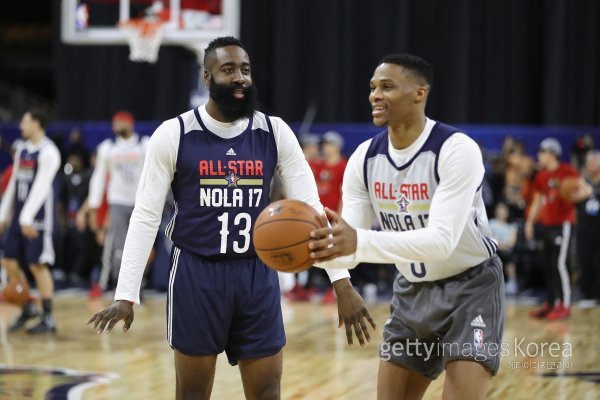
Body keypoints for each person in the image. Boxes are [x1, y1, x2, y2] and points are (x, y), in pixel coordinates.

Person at [87, 36, 373, 400]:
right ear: (207, 77)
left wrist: (341, 281)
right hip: (196, 274)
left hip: (257, 273)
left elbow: (312, 207)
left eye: (246, 70)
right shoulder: (174, 134)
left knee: (268, 392)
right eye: (228, 70)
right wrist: (126, 293)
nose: (240, 78)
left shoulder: (274, 131)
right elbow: (145, 216)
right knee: (192, 393)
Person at [308, 53, 504, 400]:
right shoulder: (364, 159)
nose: (375, 96)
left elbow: (441, 242)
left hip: (471, 290)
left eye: (387, 87)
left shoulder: (456, 150)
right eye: (372, 88)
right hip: (411, 292)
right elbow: (346, 244)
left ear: (419, 93)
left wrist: (356, 243)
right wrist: (338, 277)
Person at [0, 109, 61, 334]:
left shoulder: (49, 152)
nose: (20, 125)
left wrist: (27, 217)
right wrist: (3, 213)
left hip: (38, 218)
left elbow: (41, 187)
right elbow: (14, 184)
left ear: (37, 123)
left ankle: (48, 317)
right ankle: (27, 308)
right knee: (9, 262)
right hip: (18, 216)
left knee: (38, 264)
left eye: (24, 121)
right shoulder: (22, 150)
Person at [87, 111, 148, 294]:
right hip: (118, 201)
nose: (116, 125)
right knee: (117, 246)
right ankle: (114, 284)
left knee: (139, 246)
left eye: (120, 121)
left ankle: (138, 285)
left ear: (131, 123)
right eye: (114, 122)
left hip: (140, 201)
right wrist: (94, 206)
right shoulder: (108, 147)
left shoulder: (145, 144)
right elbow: (98, 178)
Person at [525, 138, 580, 320]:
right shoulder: (541, 176)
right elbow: (537, 201)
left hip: (563, 223)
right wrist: (530, 222)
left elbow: (584, 189)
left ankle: (565, 304)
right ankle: (550, 303)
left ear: (551, 153)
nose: (539, 156)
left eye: (541, 153)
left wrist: (573, 197)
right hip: (547, 225)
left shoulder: (566, 171)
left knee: (560, 264)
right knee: (548, 265)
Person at [574, 150, 600, 306]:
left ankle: (597, 293)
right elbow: (572, 197)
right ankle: (585, 292)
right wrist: (585, 193)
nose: (587, 166)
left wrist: (593, 192)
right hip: (584, 227)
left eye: (590, 163)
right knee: (584, 259)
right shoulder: (582, 181)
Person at [489, 202, 519, 295]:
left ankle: (512, 282)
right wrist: (498, 245)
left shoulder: (512, 226)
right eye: (500, 209)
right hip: (493, 248)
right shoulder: (491, 223)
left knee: (509, 256)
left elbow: (512, 242)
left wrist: (501, 245)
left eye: (504, 210)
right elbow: (488, 238)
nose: (502, 212)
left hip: (506, 250)